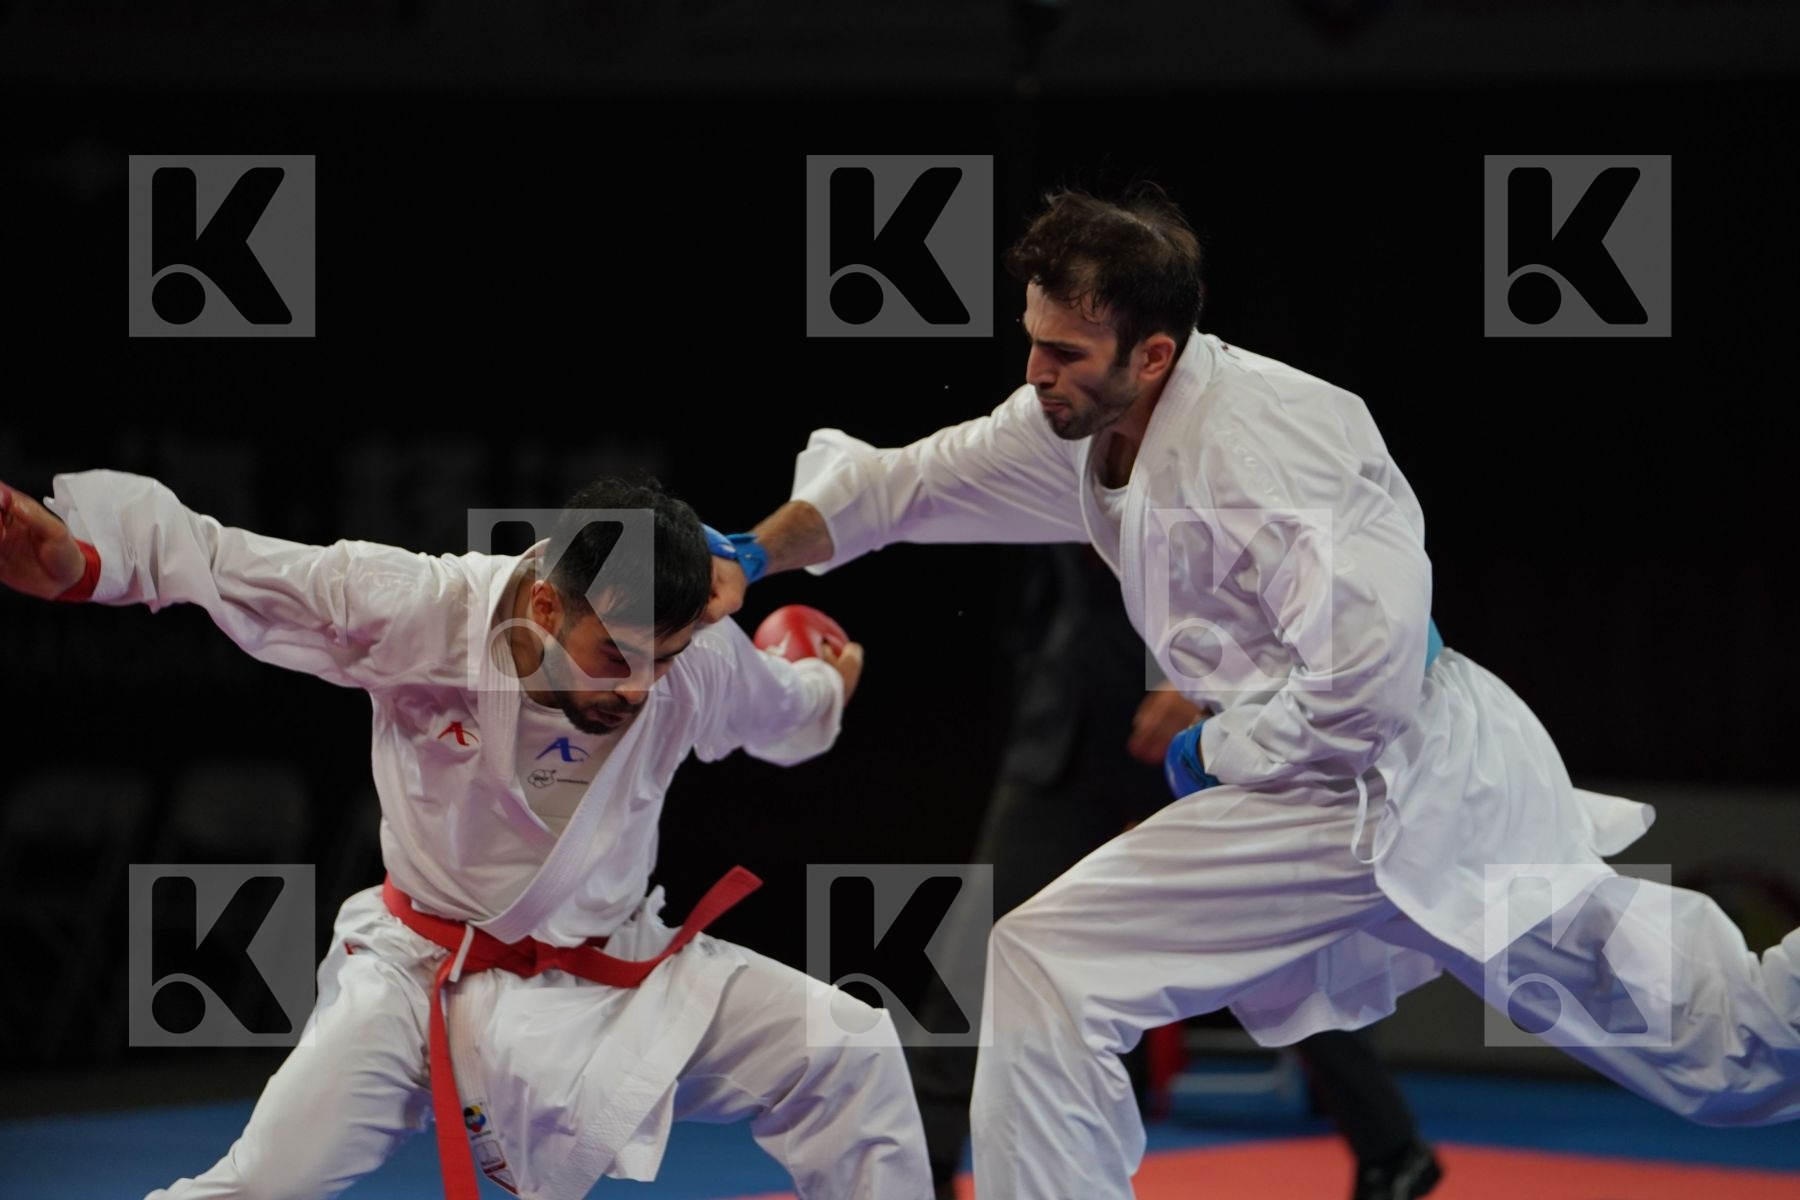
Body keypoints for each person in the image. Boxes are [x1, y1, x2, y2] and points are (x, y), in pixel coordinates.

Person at [703, 185, 1800, 1198]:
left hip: (1402, 779)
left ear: (1154, 352)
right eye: (1032, 342)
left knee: (1729, 1065)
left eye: (1064, 352)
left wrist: (1212, 752)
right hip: (1338, 792)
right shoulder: (1080, 421)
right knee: (1052, 962)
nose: (1036, 374)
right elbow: (906, 484)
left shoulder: (1273, 444)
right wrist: (751, 556)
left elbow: (1364, 685)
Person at [0, 470, 931, 1200]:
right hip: (421, 983)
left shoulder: (692, 658)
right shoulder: (422, 610)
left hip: (624, 979)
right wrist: (86, 565)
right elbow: (232, 561)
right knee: (266, 1183)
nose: (639, 688)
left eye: (666, 657)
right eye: (615, 656)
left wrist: (825, 684)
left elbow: (779, 711)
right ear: (544, 607)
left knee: (848, 1050)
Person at [907, 543, 1440, 1200]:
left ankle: (1391, 1147)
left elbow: (1271, 570)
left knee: (1273, 956)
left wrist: (1195, 683)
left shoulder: (1225, 451)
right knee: (975, 957)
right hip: (1065, 735)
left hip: (1201, 732)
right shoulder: (1056, 442)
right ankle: (919, 1171)